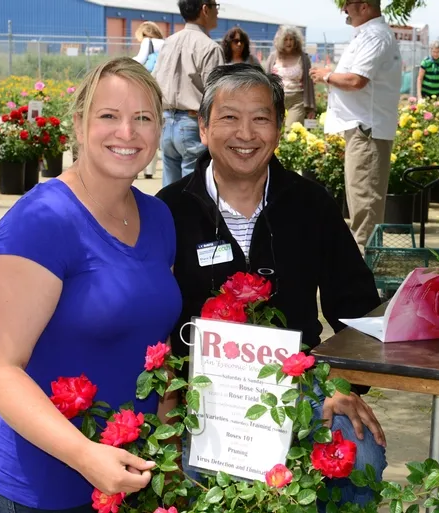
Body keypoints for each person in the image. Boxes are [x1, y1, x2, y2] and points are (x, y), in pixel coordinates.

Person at [156, 63, 386, 508]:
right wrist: (169, 394)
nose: (246, 133)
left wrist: (344, 385)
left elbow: (359, 311)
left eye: (261, 118)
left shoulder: (311, 205)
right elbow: (148, 320)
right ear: (203, 128)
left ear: (280, 128)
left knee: (359, 459)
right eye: (228, 117)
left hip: (301, 386)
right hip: (201, 393)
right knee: (192, 474)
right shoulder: (169, 210)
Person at [0, 57, 182, 512]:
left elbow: (155, 346)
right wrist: (85, 456)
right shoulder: (40, 222)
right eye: (109, 116)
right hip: (41, 489)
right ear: (80, 123)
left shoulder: (159, 218)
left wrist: (172, 445)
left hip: (131, 479)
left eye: (143, 118)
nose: (127, 132)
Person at [310, 0, 401, 254]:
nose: (344, 10)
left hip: (367, 132)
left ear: (364, 6)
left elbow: (356, 80)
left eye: (347, 4)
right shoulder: (368, 34)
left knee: (365, 215)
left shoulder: (375, 36)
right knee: (362, 210)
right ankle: (364, 279)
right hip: (363, 131)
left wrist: (326, 75)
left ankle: (365, 284)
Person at [152, 0, 225, 187]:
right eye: (216, 5)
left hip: (167, 122)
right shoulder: (209, 47)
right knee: (193, 190)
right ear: (205, 9)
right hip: (192, 123)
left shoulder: (168, 43)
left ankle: (168, 217)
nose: (217, 11)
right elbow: (216, 93)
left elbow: (154, 80)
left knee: (170, 190)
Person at [264, 25, 316, 129]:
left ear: (296, 41)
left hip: (297, 101)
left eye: (291, 39)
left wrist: (311, 108)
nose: (289, 42)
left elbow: (309, 84)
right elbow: (266, 81)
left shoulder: (303, 58)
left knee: (290, 132)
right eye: (286, 39)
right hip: (276, 101)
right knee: (275, 134)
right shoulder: (273, 57)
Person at [133, 21, 166, 179]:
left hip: (148, 89)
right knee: (154, 130)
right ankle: (150, 171)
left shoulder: (149, 42)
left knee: (141, 127)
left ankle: (138, 169)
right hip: (163, 93)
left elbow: (139, 60)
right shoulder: (166, 43)